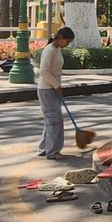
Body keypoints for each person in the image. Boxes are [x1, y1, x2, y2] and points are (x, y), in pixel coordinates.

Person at [35, 27, 75, 159]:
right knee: (54, 121)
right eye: (67, 41)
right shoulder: (49, 50)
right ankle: (53, 152)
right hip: (47, 89)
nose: (67, 44)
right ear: (61, 38)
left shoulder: (56, 49)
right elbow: (44, 71)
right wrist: (56, 85)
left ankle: (44, 148)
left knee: (50, 120)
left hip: (51, 88)